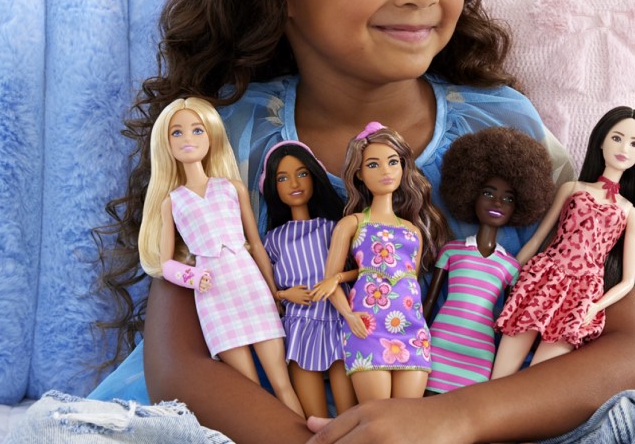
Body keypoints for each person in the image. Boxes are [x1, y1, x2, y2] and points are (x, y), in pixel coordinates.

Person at [94, 0, 635, 442]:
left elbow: (634, 354)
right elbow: (176, 365)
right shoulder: (227, 137)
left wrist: (454, 419)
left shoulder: (503, 128)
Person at [137, 97, 304, 417]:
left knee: (282, 382)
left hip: (250, 286)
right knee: (250, 390)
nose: (187, 139)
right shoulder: (172, 202)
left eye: (197, 130)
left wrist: (274, 292)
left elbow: (256, 244)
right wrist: (192, 277)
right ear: (165, 143)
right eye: (177, 132)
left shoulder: (231, 188)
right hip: (213, 297)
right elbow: (165, 263)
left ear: (211, 135)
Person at [491, 107, 635, 378]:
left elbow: (628, 281)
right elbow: (539, 238)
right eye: (617, 138)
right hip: (543, 278)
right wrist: (505, 274)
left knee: (537, 380)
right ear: (601, 141)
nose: (624, 148)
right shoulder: (573, 189)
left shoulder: (629, 213)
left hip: (581, 296)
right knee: (500, 374)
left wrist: (596, 306)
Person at [310, 123, 448, 402]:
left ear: (403, 167)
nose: (386, 171)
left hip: (412, 327)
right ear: (359, 173)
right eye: (373, 164)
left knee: (408, 415)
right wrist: (349, 316)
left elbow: (409, 280)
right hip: (367, 324)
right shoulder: (352, 223)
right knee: (377, 413)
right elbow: (333, 280)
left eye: (393, 162)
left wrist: (341, 278)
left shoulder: (413, 231)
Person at [420, 127, 555, 394]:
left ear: (520, 206)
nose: (497, 203)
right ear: (470, 193)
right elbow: (429, 302)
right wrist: (415, 337)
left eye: (508, 198)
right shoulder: (451, 251)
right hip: (440, 339)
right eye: (488, 193)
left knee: (467, 409)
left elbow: (508, 320)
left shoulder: (510, 267)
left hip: (480, 349)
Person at [259, 140, 358, 418]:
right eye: (282, 178)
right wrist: (283, 294)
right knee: (313, 419)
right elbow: (263, 287)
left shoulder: (334, 229)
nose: (294, 183)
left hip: (338, 319)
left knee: (351, 414)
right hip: (299, 325)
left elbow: (360, 269)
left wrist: (336, 279)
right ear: (272, 187)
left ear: (315, 177)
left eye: (302, 173)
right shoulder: (273, 239)